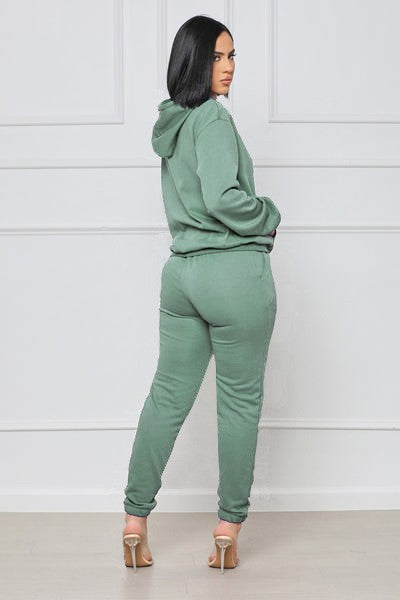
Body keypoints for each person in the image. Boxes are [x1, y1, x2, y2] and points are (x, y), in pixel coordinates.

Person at [122, 14, 281, 573]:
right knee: (238, 403)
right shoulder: (212, 118)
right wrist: (268, 214)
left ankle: (134, 521)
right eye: (217, 56)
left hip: (182, 275)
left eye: (232, 56)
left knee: (167, 397)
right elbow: (221, 198)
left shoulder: (173, 121)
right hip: (232, 275)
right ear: (193, 61)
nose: (229, 67)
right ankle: (227, 529)